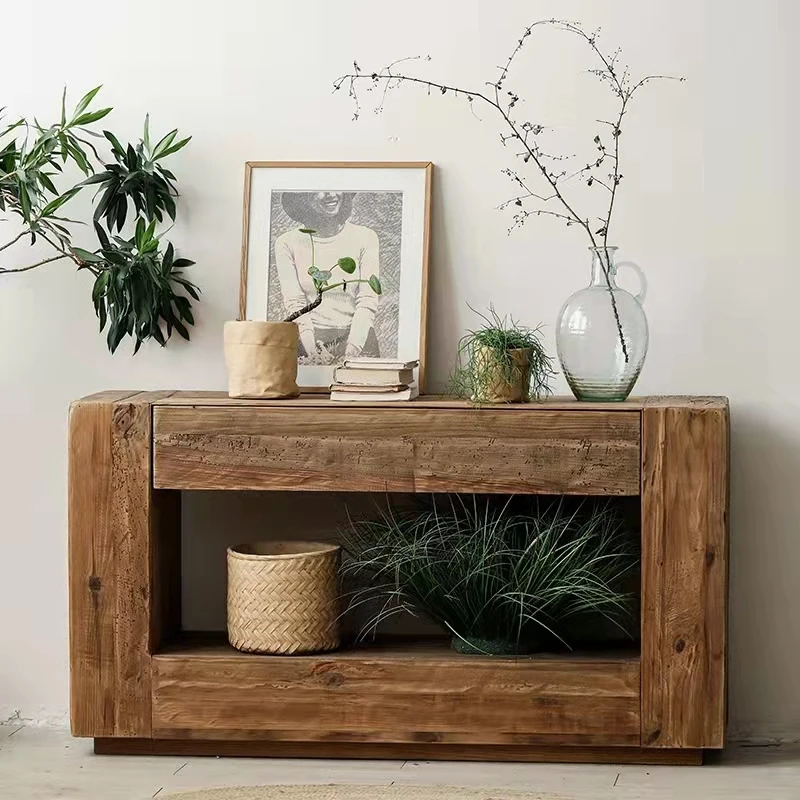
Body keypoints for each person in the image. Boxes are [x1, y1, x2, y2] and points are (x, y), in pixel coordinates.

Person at [274, 191, 380, 361]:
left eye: (336, 187)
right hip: (308, 340)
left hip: (358, 339)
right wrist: (314, 354)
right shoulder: (287, 242)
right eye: (319, 190)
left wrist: (351, 350)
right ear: (303, 197)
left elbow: (368, 299)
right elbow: (295, 303)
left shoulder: (365, 237)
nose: (331, 194)